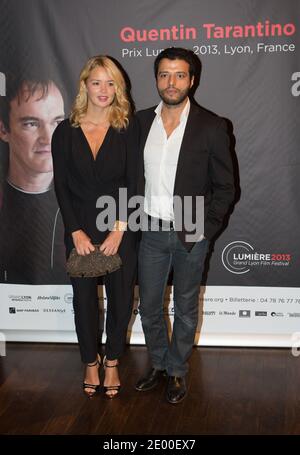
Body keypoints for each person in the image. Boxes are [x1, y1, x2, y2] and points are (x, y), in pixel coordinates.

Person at [135, 47, 235, 404]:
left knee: (186, 306)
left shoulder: (212, 125)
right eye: (164, 74)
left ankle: (177, 370)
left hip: (191, 227)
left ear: (192, 80)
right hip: (149, 228)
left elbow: (226, 187)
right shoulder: (140, 122)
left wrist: (204, 228)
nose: (171, 82)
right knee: (148, 305)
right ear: (157, 79)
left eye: (179, 75)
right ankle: (159, 364)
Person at [51, 55, 138, 398]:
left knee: (119, 298)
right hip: (79, 226)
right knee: (84, 299)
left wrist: (119, 229)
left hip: (120, 225)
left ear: (119, 87)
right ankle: (90, 360)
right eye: (97, 82)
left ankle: (112, 361)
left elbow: (135, 181)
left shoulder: (128, 127)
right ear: (85, 85)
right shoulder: (65, 130)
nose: (104, 90)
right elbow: (61, 185)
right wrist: (75, 230)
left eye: (111, 82)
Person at [0, 70, 68, 284]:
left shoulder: (84, 200)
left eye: (56, 122)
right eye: (31, 123)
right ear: (3, 130)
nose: (48, 138)